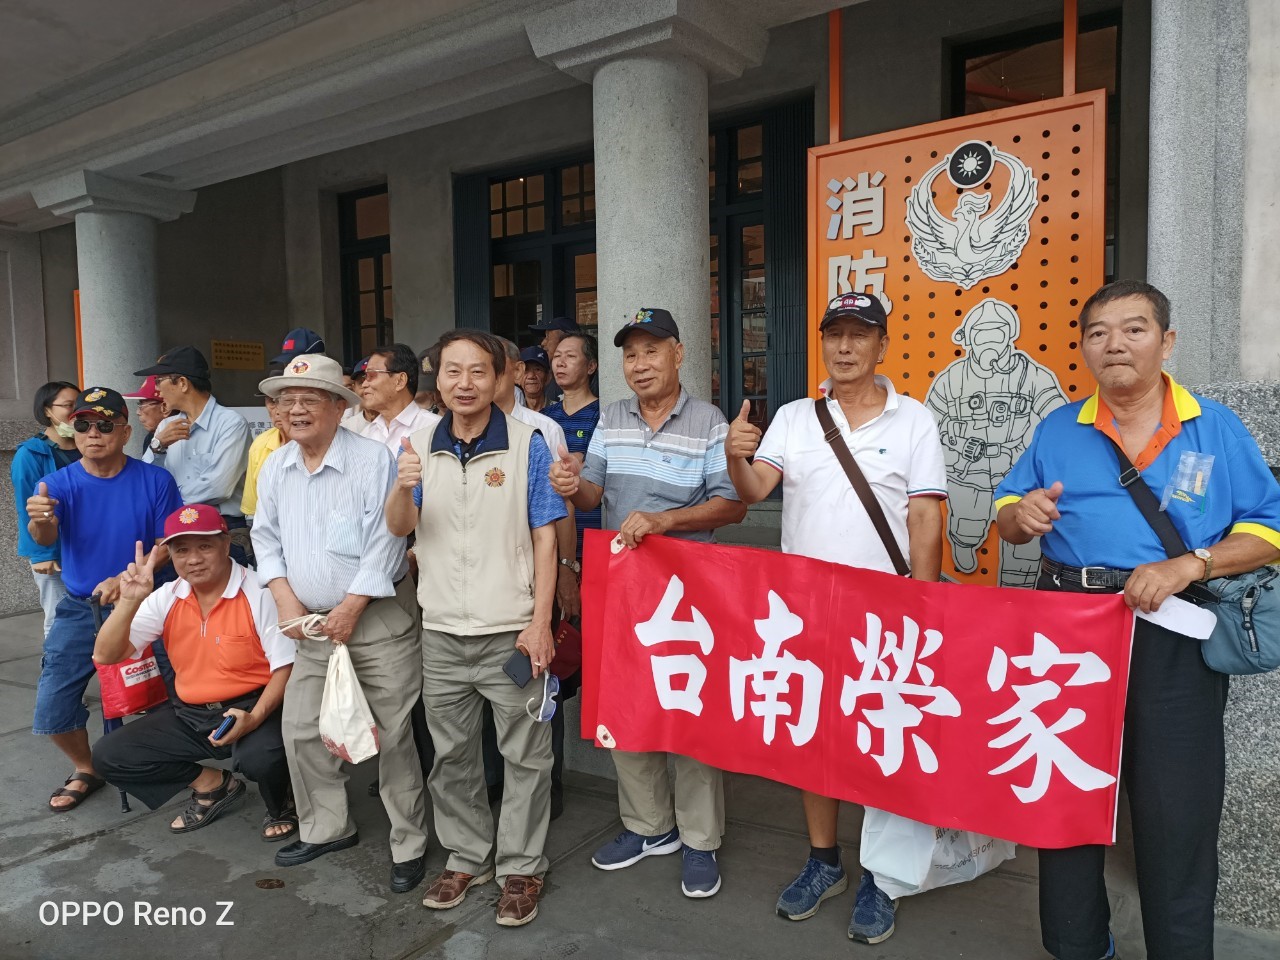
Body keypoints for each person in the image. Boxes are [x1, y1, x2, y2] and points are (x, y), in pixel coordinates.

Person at [993, 279, 1280, 960]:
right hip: (1069, 633)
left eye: (1133, 328)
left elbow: (1269, 529)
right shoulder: (1060, 427)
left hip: (1175, 635)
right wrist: (1019, 516)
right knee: (1066, 798)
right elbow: (1007, 511)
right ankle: (1077, 945)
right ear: (1084, 347)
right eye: (1098, 332)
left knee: (1175, 812)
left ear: (1166, 341)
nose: (1114, 343)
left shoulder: (1215, 427)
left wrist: (1194, 564)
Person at [724, 292, 948, 944]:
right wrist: (737, 455)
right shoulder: (795, 418)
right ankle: (825, 862)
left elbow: (926, 515)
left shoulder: (914, 421)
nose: (845, 347)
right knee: (815, 743)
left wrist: (923, 607)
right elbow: (753, 493)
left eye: (859, 335)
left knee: (882, 740)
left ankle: (882, 874)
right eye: (835, 335)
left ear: (883, 345)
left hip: (887, 618)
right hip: (807, 614)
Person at [549, 307, 746, 898]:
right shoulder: (612, 416)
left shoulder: (709, 420)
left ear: (678, 355)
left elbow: (730, 505)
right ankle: (647, 826)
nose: (640, 365)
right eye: (631, 354)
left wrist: (665, 520)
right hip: (623, 585)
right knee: (627, 705)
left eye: (651, 351)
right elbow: (596, 490)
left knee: (688, 712)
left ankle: (700, 839)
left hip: (690, 591)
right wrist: (570, 486)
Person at [386, 329, 565, 927]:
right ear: (437, 379)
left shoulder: (527, 443)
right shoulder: (415, 442)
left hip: (511, 629)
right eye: (453, 372)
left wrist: (540, 622)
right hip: (440, 630)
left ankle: (521, 867)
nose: (465, 384)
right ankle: (467, 855)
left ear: (502, 378)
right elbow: (398, 527)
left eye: (479, 372)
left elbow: (545, 533)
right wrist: (404, 483)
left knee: (525, 756)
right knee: (452, 754)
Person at [251, 354, 428, 894]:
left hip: (376, 619)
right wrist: (283, 598)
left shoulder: (375, 460)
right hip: (310, 627)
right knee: (301, 728)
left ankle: (410, 843)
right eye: (286, 401)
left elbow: (389, 539)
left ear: (338, 406)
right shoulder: (277, 466)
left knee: (393, 737)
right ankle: (328, 826)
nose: (296, 410)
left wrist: (350, 607)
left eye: (309, 399)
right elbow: (265, 538)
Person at [90, 505, 295, 840]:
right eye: (182, 549)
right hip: (192, 713)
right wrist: (128, 602)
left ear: (226, 544)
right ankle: (213, 785)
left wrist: (254, 718)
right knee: (110, 755)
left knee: (262, 758)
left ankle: (282, 802)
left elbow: (285, 668)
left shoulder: (259, 592)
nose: (194, 559)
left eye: (205, 546)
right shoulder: (167, 596)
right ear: (169, 554)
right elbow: (105, 654)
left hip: (256, 706)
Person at [24, 387, 183, 811]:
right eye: (83, 424)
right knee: (52, 705)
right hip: (82, 607)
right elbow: (46, 539)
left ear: (125, 431)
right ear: (71, 430)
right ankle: (88, 767)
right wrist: (40, 521)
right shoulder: (56, 483)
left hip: (150, 601)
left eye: (105, 424)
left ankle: (164, 761)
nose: (94, 433)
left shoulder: (155, 479)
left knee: (174, 692)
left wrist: (126, 577)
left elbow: (166, 543)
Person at [494, 338, 578, 820]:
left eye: (488, 367)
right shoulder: (455, 430)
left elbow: (561, 506)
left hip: (535, 579)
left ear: (514, 370)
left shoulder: (542, 429)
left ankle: (550, 785)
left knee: (541, 681)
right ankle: (495, 784)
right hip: (482, 587)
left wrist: (567, 571)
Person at [136, 346, 252, 565]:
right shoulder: (167, 424)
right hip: (175, 528)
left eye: (160, 380)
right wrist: (157, 446)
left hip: (221, 528)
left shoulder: (230, 423)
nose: (157, 389)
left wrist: (168, 502)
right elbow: (149, 481)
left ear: (181, 383)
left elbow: (219, 487)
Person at [10, 381, 81, 639]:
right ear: (47, 411)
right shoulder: (30, 454)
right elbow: (25, 508)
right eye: (68, 405)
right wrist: (41, 554)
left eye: (79, 404)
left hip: (88, 545)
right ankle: (55, 674)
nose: (75, 411)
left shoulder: (88, 445)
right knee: (59, 619)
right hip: (54, 551)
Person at [545, 332, 602, 559]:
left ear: (591, 366)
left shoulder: (604, 415)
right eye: (557, 356)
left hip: (594, 532)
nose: (560, 362)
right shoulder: (544, 417)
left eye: (570, 356)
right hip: (551, 536)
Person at [357, 343, 442, 449]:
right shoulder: (366, 435)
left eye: (371, 375)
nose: (364, 384)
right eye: (365, 376)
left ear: (400, 381)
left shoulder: (435, 428)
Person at [240, 370, 289, 519]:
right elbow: (253, 508)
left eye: (285, 400)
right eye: (272, 401)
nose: (278, 410)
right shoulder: (260, 444)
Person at [528, 316, 579, 405]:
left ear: (565, 341)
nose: (543, 343)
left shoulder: (583, 379)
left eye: (548, 337)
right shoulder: (550, 374)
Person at [123, 376, 168, 452]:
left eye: (142, 405)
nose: (137, 412)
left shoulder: (185, 437)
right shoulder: (150, 438)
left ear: (165, 407)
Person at [341, 357, 377, 431]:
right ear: (354, 388)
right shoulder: (346, 429)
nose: (366, 385)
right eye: (361, 382)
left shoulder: (399, 423)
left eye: (373, 380)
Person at [519, 346, 552, 413]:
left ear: (548, 377)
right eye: (526, 370)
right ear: (518, 376)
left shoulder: (560, 412)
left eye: (537, 369)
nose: (531, 376)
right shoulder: (513, 414)